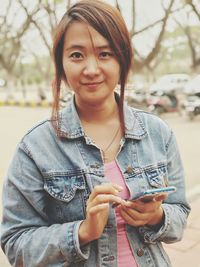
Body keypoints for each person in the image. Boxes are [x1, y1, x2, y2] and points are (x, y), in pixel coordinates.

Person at [0, 1, 190, 266]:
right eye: (77, 55)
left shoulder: (158, 133)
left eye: (105, 54)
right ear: (61, 64)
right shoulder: (35, 147)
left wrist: (157, 215)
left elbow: (180, 212)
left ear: (122, 60)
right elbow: (15, 242)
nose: (91, 69)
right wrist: (82, 231)